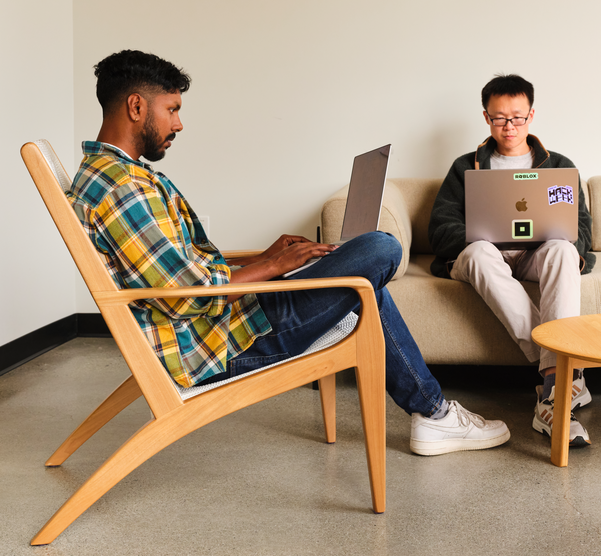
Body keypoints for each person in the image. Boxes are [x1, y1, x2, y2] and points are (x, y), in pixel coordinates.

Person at [69, 49, 510, 457]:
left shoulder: (116, 177)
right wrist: (272, 266)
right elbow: (185, 293)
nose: (178, 124)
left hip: (229, 320)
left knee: (361, 281)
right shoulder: (121, 187)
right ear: (136, 106)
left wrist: (261, 258)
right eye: (173, 110)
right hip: (223, 341)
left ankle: (433, 414)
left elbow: (178, 268)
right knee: (379, 249)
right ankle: (434, 414)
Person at [428, 74, 596, 447]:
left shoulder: (559, 166)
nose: (509, 127)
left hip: (536, 254)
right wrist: (481, 234)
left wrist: (564, 236)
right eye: (500, 118)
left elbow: (580, 226)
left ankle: (556, 378)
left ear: (531, 116)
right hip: (488, 254)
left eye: (517, 118)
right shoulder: (465, 167)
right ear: (486, 118)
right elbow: (440, 228)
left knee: (563, 249)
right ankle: (564, 374)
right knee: (478, 252)